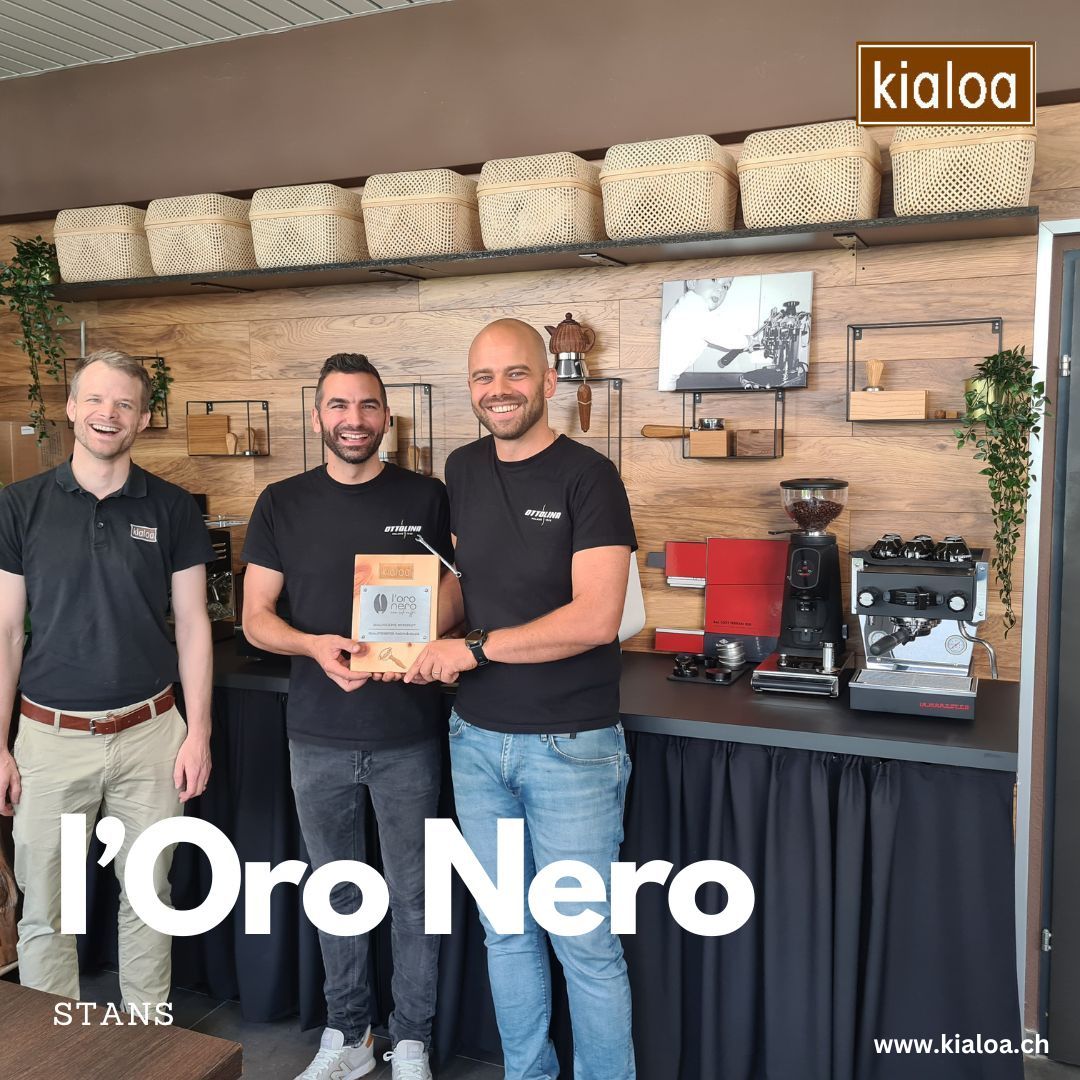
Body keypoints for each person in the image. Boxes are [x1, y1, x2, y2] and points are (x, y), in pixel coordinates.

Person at [405, 319, 639, 1080]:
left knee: (585, 943)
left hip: (570, 746)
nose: (498, 391)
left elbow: (596, 616)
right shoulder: (463, 468)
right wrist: (405, 636)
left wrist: (471, 650)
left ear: (547, 381)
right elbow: (464, 581)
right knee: (506, 932)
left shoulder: (590, 476)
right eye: (483, 377)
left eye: (514, 374)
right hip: (475, 739)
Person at [242, 353, 454, 1080]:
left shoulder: (428, 496)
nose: (354, 420)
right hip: (317, 733)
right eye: (339, 405)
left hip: (408, 731)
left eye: (367, 406)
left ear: (385, 417)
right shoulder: (282, 502)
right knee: (337, 890)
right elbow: (256, 617)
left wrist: (419, 638)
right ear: (317, 418)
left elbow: (458, 594)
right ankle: (349, 1036)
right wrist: (313, 645)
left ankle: (413, 1040)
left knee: (415, 895)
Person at [0, 349, 213, 1010]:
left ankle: (147, 1044)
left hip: (151, 734)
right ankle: (53, 1054)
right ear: (71, 407)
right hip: (48, 739)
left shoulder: (173, 508)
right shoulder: (19, 505)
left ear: (144, 418)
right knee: (47, 912)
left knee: (150, 902)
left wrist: (198, 733)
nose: (107, 413)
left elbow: (193, 625)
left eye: (124, 403)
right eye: (94, 399)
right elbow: (6, 633)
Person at [658, 276, 738, 390]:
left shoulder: (698, 312)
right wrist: (747, 341)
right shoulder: (693, 304)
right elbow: (724, 336)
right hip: (660, 376)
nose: (720, 289)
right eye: (714, 280)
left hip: (664, 376)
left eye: (725, 286)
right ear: (692, 283)